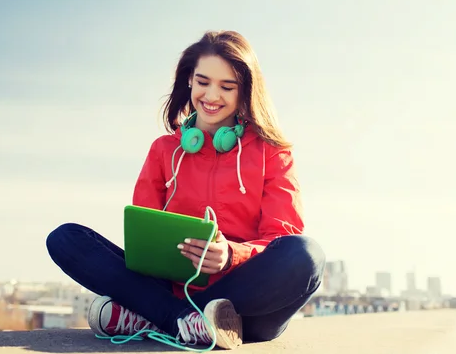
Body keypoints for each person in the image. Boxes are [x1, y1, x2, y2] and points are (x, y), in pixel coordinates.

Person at [46, 30, 326, 350]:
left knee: (306, 254)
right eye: (203, 82)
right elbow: (144, 236)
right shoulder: (164, 150)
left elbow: (281, 236)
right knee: (65, 238)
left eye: (227, 86)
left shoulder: (273, 153)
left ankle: (163, 318)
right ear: (189, 81)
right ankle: (182, 319)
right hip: (171, 290)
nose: (211, 95)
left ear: (245, 91)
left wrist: (230, 256)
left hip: (245, 308)